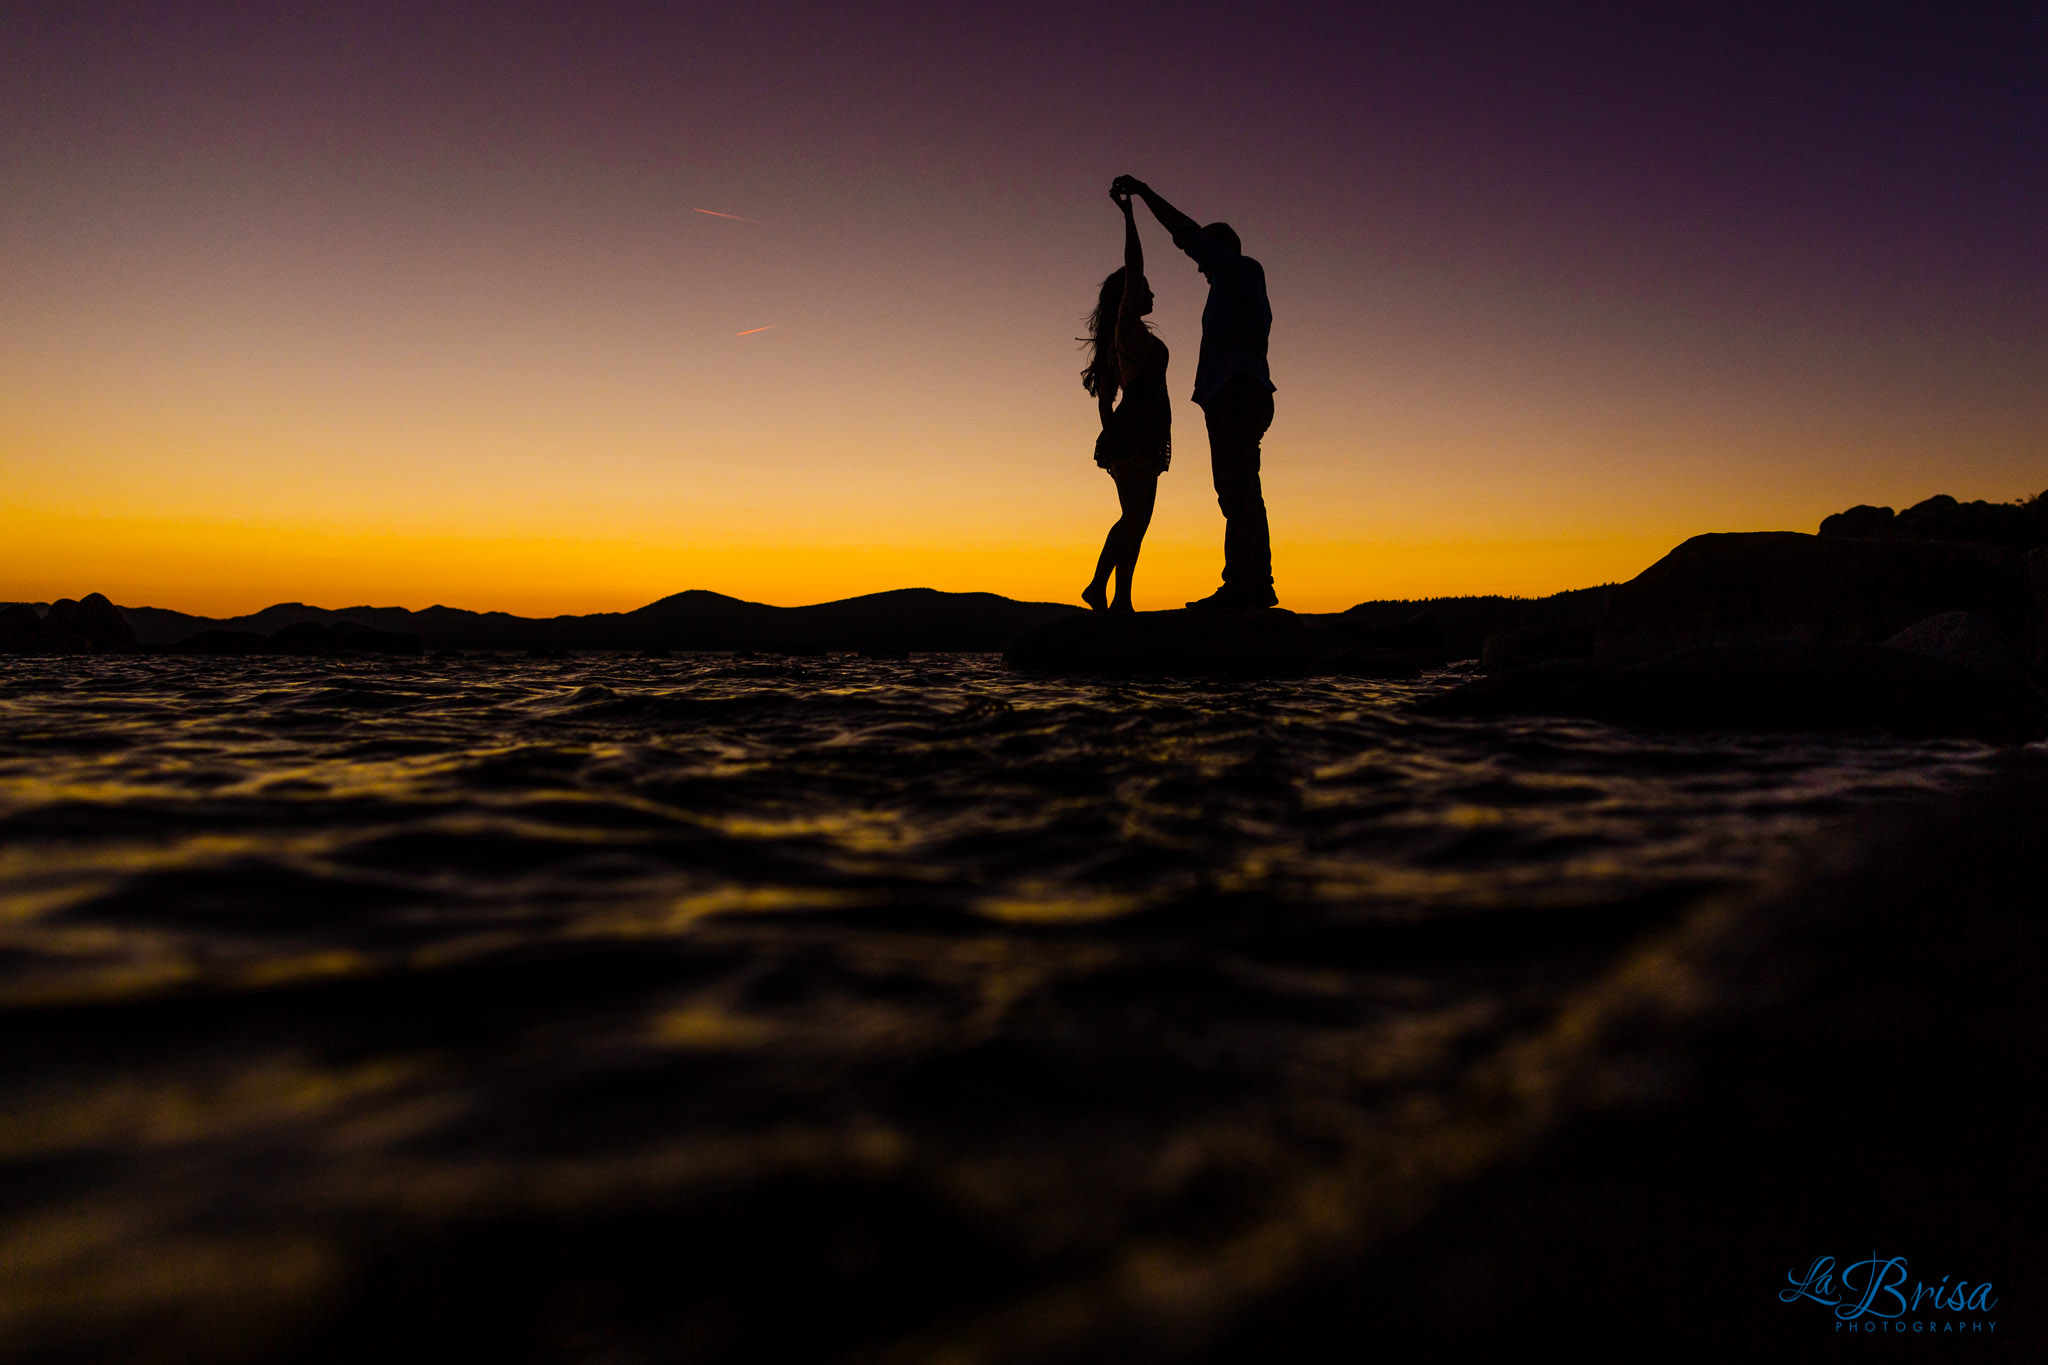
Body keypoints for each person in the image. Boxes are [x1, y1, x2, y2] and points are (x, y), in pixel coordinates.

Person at [1112, 175, 1277, 609]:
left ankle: (1247, 586)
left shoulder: (1234, 272)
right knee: (1240, 490)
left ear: (1221, 251)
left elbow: (1184, 233)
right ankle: (1250, 581)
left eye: (1207, 259)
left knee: (1238, 491)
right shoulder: (1247, 288)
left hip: (1236, 393)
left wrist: (1144, 193)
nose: (1202, 270)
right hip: (1245, 392)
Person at [1080, 183, 1171, 613]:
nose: (1150, 293)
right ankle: (1099, 587)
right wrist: (1129, 214)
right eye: (1143, 288)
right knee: (1135, 518)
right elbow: (1134, 265)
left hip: (1142, 435)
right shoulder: (1128, 331)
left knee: (1139, 521)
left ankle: (1121, 599)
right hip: (1135, 434)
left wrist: (1112, 432)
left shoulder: (1125, 340)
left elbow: (1104, 401)